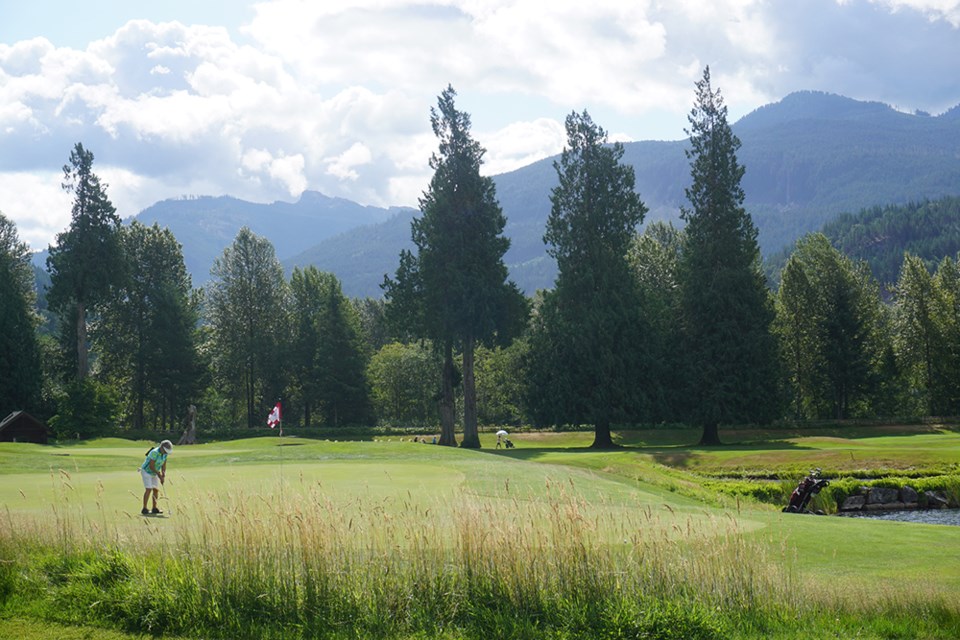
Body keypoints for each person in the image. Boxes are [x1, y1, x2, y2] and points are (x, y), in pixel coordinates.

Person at [141, 440, 172, 515]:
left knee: (156, 489)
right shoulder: (154, 452)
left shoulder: (165, 454)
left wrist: (163, 474)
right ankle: (144, 508)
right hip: (146, 471)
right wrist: (159, 475)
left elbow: (164, 464)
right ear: (162, 448)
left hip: (154, 472)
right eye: (165, 451)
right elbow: (151, 466)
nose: (166, 452)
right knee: (149, 489)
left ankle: (154, 508)